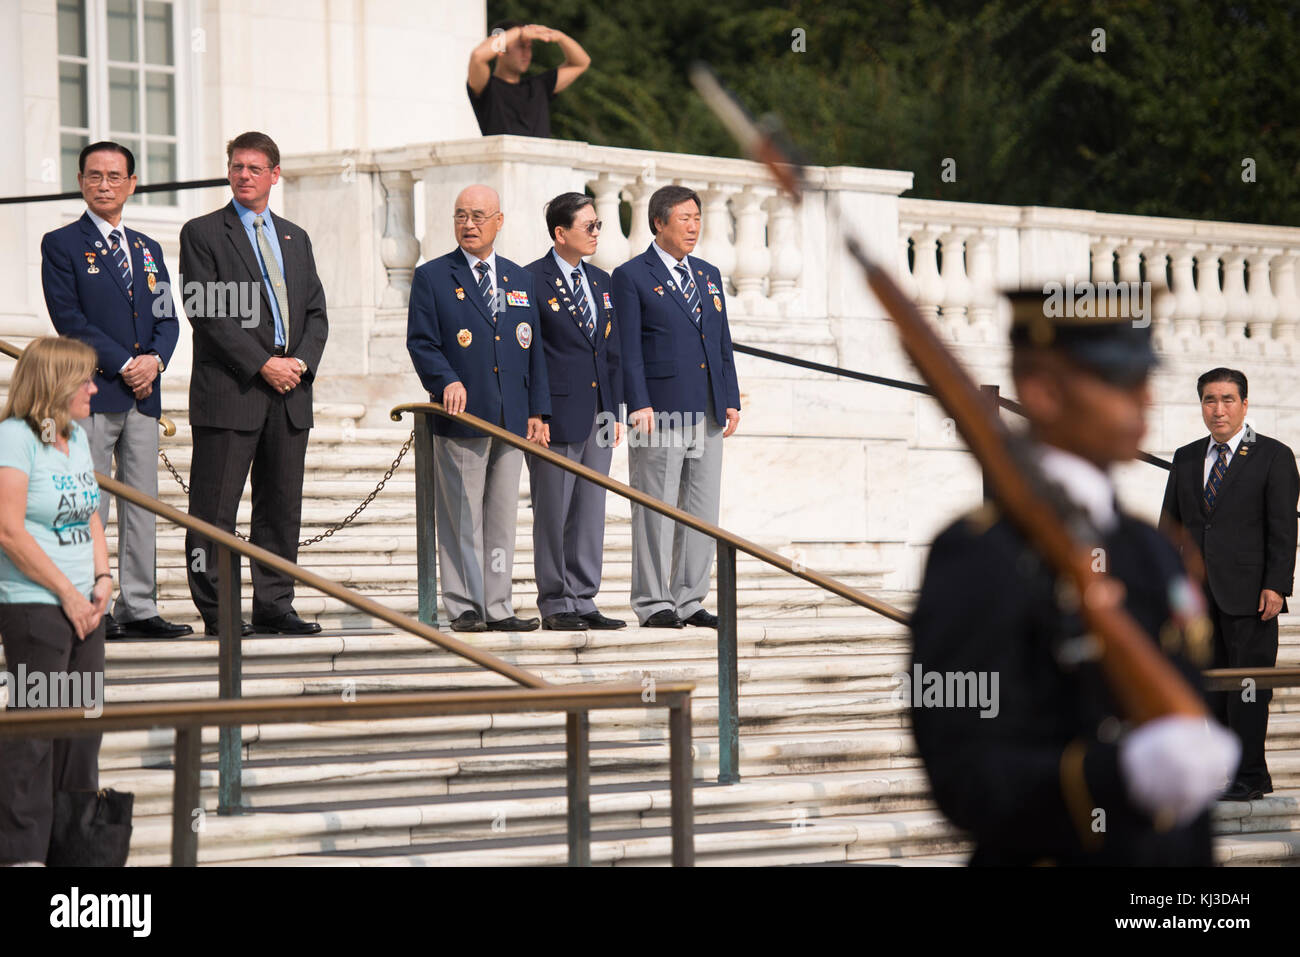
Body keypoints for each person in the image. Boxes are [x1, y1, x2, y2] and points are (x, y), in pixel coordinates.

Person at [909, 289, 1239, 865]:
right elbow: (965, 776)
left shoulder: (1149, 550)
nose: (1144, 398)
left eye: (1143, 377)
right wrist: (1114, 775)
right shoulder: (981, 557)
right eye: (1117, 380)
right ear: (1042, 392)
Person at [179, 131, 329, 637]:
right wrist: (263, 362)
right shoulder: (203, 233)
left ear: (274, 175)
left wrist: (299, 365)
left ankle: (274, 605)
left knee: (281, 508)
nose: (244, 175)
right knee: (213, 512)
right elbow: (208, 313)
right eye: (237, 167)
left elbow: (315, 313)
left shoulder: (295, 236)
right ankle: (218, 612)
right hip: (231, 390)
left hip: (290, 394)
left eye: (254, 168)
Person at [40, 141, 191, 641]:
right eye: (94, 175)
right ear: (81, 181)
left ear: (131, 183)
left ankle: (139, 606)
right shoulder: (60, 244)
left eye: (114, 176)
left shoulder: (149, 248)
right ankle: (93, 602)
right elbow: (71, 321)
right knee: (90, 504)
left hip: (144, 399)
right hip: (92, 394)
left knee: (142, 503)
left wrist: (154, 361)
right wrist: (127, 363)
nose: (104, 184)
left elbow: (168, 317)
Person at [406, 184, 551, 632]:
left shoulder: (518, 278)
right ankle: (464, 604)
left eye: (478, 216)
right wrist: (446, 379)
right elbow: (422, 342)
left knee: (502, 518)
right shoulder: (433, 276)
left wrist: (538, 411)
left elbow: (535, 350)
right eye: (460, 216)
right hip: (462, 417)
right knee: (461, 516)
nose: (468, 224)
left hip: (511, 418)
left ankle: (498, 604)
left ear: (499, 221)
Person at [1159, 368, 1299, 801]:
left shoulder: (1274, 456)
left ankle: (1252, 776)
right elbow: (1170, 529)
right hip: (1198, 601)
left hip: (1252, 598)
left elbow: (1282, 529)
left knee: (1250, 692)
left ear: (1244, 404)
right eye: (1209, 400)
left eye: (1227, 400)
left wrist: (1276, 585)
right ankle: (1223, 772)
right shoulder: (1185, 457)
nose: (1218, 409)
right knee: (1208, 689)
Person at [0, 337, 110, 865]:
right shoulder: (15, 438)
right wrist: (66, 594)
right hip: (35, 606)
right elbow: (8, 530)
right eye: (85, 379)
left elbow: (90, 510)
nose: (94, 387)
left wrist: (104, 578)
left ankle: (75, 852)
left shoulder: (72, 436)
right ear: (56, 384)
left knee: (81, 735)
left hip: (86, 608)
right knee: (35, 736)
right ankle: (22, 854)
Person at [612, 185, 740, 628]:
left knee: (701, 510)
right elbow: (627, 350)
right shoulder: (631, 276)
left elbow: (721, 341)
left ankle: (690, 599)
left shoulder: (707, 273)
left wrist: (731, 398)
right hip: (660, 412)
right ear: (658, 223)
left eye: (697, 218)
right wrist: (638, 403)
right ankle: (653, 602)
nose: (693, 226)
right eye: (684, 218)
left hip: (707, 408)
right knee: (655, 507)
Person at [525, 192, 625, 631]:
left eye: (599, 225)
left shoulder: (603, 283)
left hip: (599, 415)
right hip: (556, 416)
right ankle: (554, 601)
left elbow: (613, 352)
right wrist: (537, 412)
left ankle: (583, 598)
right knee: (553, 510)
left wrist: (616, 410)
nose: (597, 233)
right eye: (589, 226)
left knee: (589, 511)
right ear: (560, 233)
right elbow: (530, 356)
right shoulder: (530, 279)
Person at [466, 20, 591, 137]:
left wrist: (559, 37)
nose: (527, 53)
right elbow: (478, 56)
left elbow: (581, 62)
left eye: (529, 47)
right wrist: (520, 32)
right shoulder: (486, 87)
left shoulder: (539, 86)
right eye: (521, 46)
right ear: (500, 50)